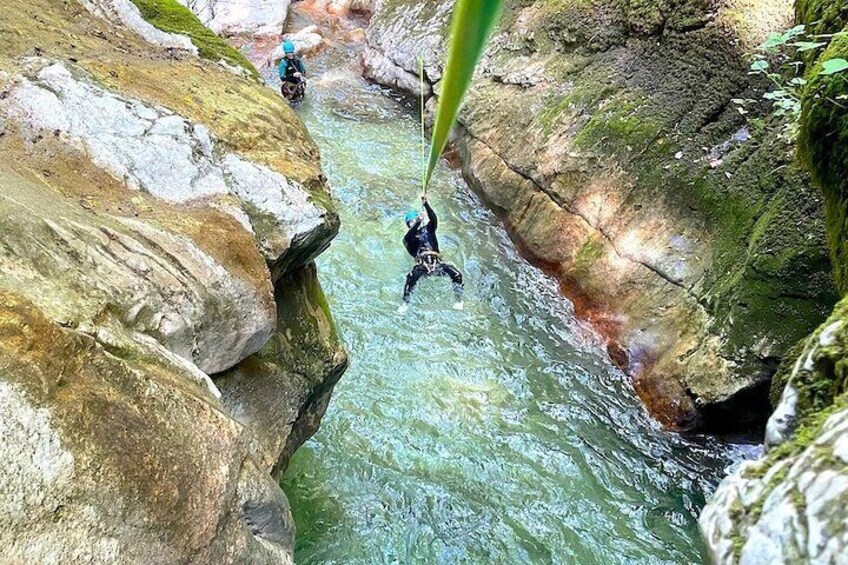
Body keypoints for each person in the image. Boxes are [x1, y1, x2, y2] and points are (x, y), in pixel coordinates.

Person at [398, 195, 464, 313]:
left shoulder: (429, 229)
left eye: (414, 220)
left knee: (457, 275)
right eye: (411, 222)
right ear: (408, 225)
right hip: (422, 265)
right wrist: (418, 222)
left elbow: (433, 219)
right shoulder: (409, 239)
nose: (413, 223)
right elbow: (408, 236)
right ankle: (405, 303)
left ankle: (458, 300)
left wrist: (426, 204)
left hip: (436, 262)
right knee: (411, 278)